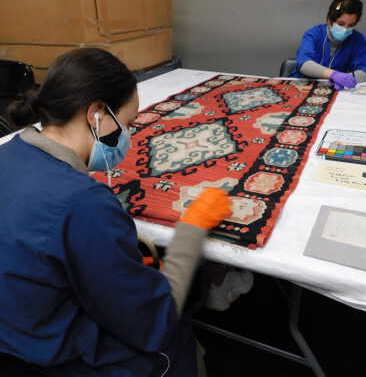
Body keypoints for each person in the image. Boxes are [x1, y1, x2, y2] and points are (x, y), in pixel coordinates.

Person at [0, 48, 231, 376]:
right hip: (62, 360)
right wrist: (192, 229)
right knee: (175, 340)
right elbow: (152, 323)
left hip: (15, 338)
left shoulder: (8, 152)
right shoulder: (84, 203)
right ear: (96, 114)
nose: (128, 136)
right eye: (127, 123)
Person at [291, 0, 366, 90]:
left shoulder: (357, 40)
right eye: (341, 24)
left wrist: (346, 78)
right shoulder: (314, 34)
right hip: (303, 87)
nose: (345, 29)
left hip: (336, 89)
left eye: (350, 25)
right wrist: (333, 75)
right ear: (329, 20)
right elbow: (303, 63)